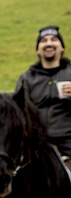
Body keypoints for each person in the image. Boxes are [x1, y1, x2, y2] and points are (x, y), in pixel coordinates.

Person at [16, 25, 71, 168]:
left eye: (54, 39)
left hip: (68, 142)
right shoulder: (26, 79)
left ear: (62, 47)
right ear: (38, 49)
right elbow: (17, 112)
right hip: (35, 145)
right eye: (44, 40)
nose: (49, 43)